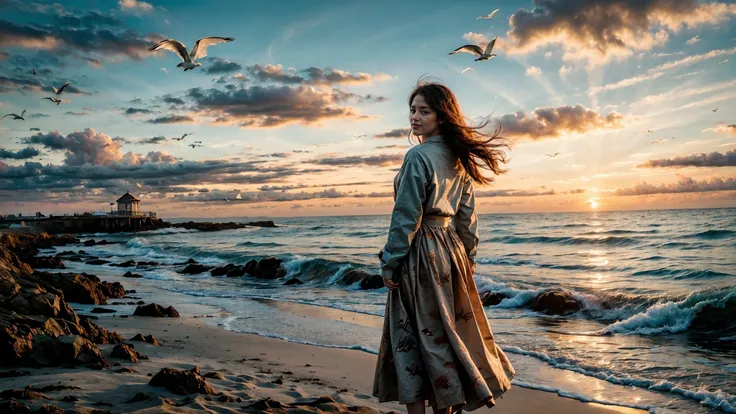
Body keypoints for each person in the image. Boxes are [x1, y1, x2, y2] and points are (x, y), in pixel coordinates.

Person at [372, 80, 515, 414]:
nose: (415, 117)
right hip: (452, 253)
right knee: (448, 335)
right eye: (412, 110)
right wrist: (468, 258)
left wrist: (391, 262)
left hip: (421, 251)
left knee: (416, 336)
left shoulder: (417, 157)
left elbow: (407, 216)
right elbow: (467, 219)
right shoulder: (459, 159)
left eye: (425, 111)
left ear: (441, 115)